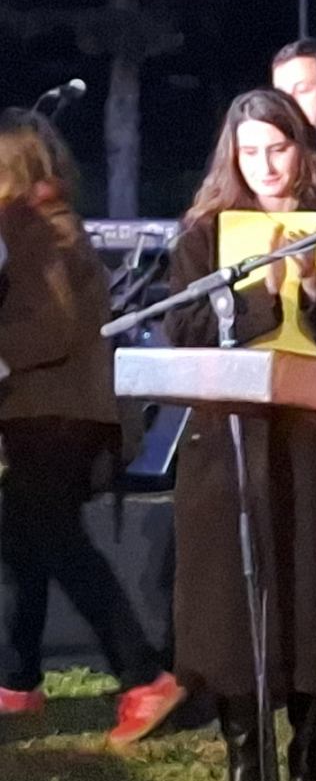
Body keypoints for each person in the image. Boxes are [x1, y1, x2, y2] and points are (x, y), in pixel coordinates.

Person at [166, 89, 316, 781]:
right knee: (232, 602)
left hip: (313, 436)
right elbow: (184, 332)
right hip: (229, 440)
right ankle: (244, 758)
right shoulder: (203, 234)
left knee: (313, 593)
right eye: (249, 152)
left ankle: (309, 757)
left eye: (278, 148)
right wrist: (262, 297)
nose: (264, 166)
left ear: (302, 148)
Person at [0, 109, 185, 745]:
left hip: (52, 415)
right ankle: (17, 680)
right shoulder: (52, 223)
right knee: (24, 543)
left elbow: (51, 327)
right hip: (55, 412)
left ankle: (144, 676)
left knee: (59, 546)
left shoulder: (35, 227)